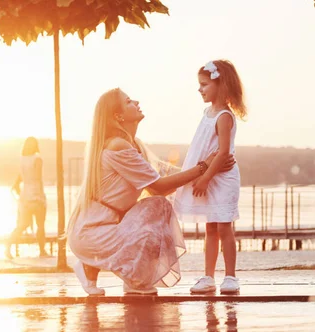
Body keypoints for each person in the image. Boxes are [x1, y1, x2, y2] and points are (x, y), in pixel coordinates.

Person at [67, 88, 236, 295]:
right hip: (93, 231)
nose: (136, 102)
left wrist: (210, 170)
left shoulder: (134, 145)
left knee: (157, 207)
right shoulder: (117, 146)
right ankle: (122, 274)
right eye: (129, 101)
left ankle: (123, 274)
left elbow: (168, 175)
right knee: (158, 207)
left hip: (104, 226)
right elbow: (158, 187)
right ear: (118, 116)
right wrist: (203, 167)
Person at [173, 60, 246, 294]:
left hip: (222, 178)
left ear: (220, 84)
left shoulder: (224, 116)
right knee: (210, 228)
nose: (200, 89)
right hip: (210, 173)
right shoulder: (207, 113)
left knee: (224, 226)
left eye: (204, 84)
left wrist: (205, 178)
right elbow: (203, 146)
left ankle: (231, 276)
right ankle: (208, 276)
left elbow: (224, 151)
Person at [5, 136, 49, 259]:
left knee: (22, 225)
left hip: (25, 196)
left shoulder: (22, 160)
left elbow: (19, 181)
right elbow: (38, 179)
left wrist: (21, 196)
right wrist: (42, 196)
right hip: (36, 195)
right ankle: (42, 251)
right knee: (40, 225)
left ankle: (8, 246)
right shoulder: (38, 159)